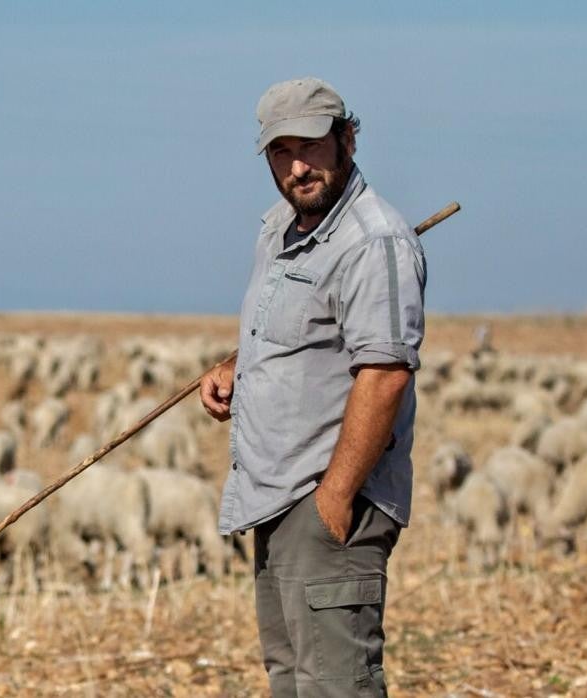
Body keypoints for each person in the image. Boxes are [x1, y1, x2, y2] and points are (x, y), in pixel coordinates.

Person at [197, 77, 426, 696]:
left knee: (337, 686)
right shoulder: (281, 227)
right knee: (295, 683)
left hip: (325, 502)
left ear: (347, 138)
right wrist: (235, 368)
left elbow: (384, 376)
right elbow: (294, 329)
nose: (299, 166)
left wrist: (334, 500)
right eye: (281, 151)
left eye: (313, 145)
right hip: (274, 498)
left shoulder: (373, 241)